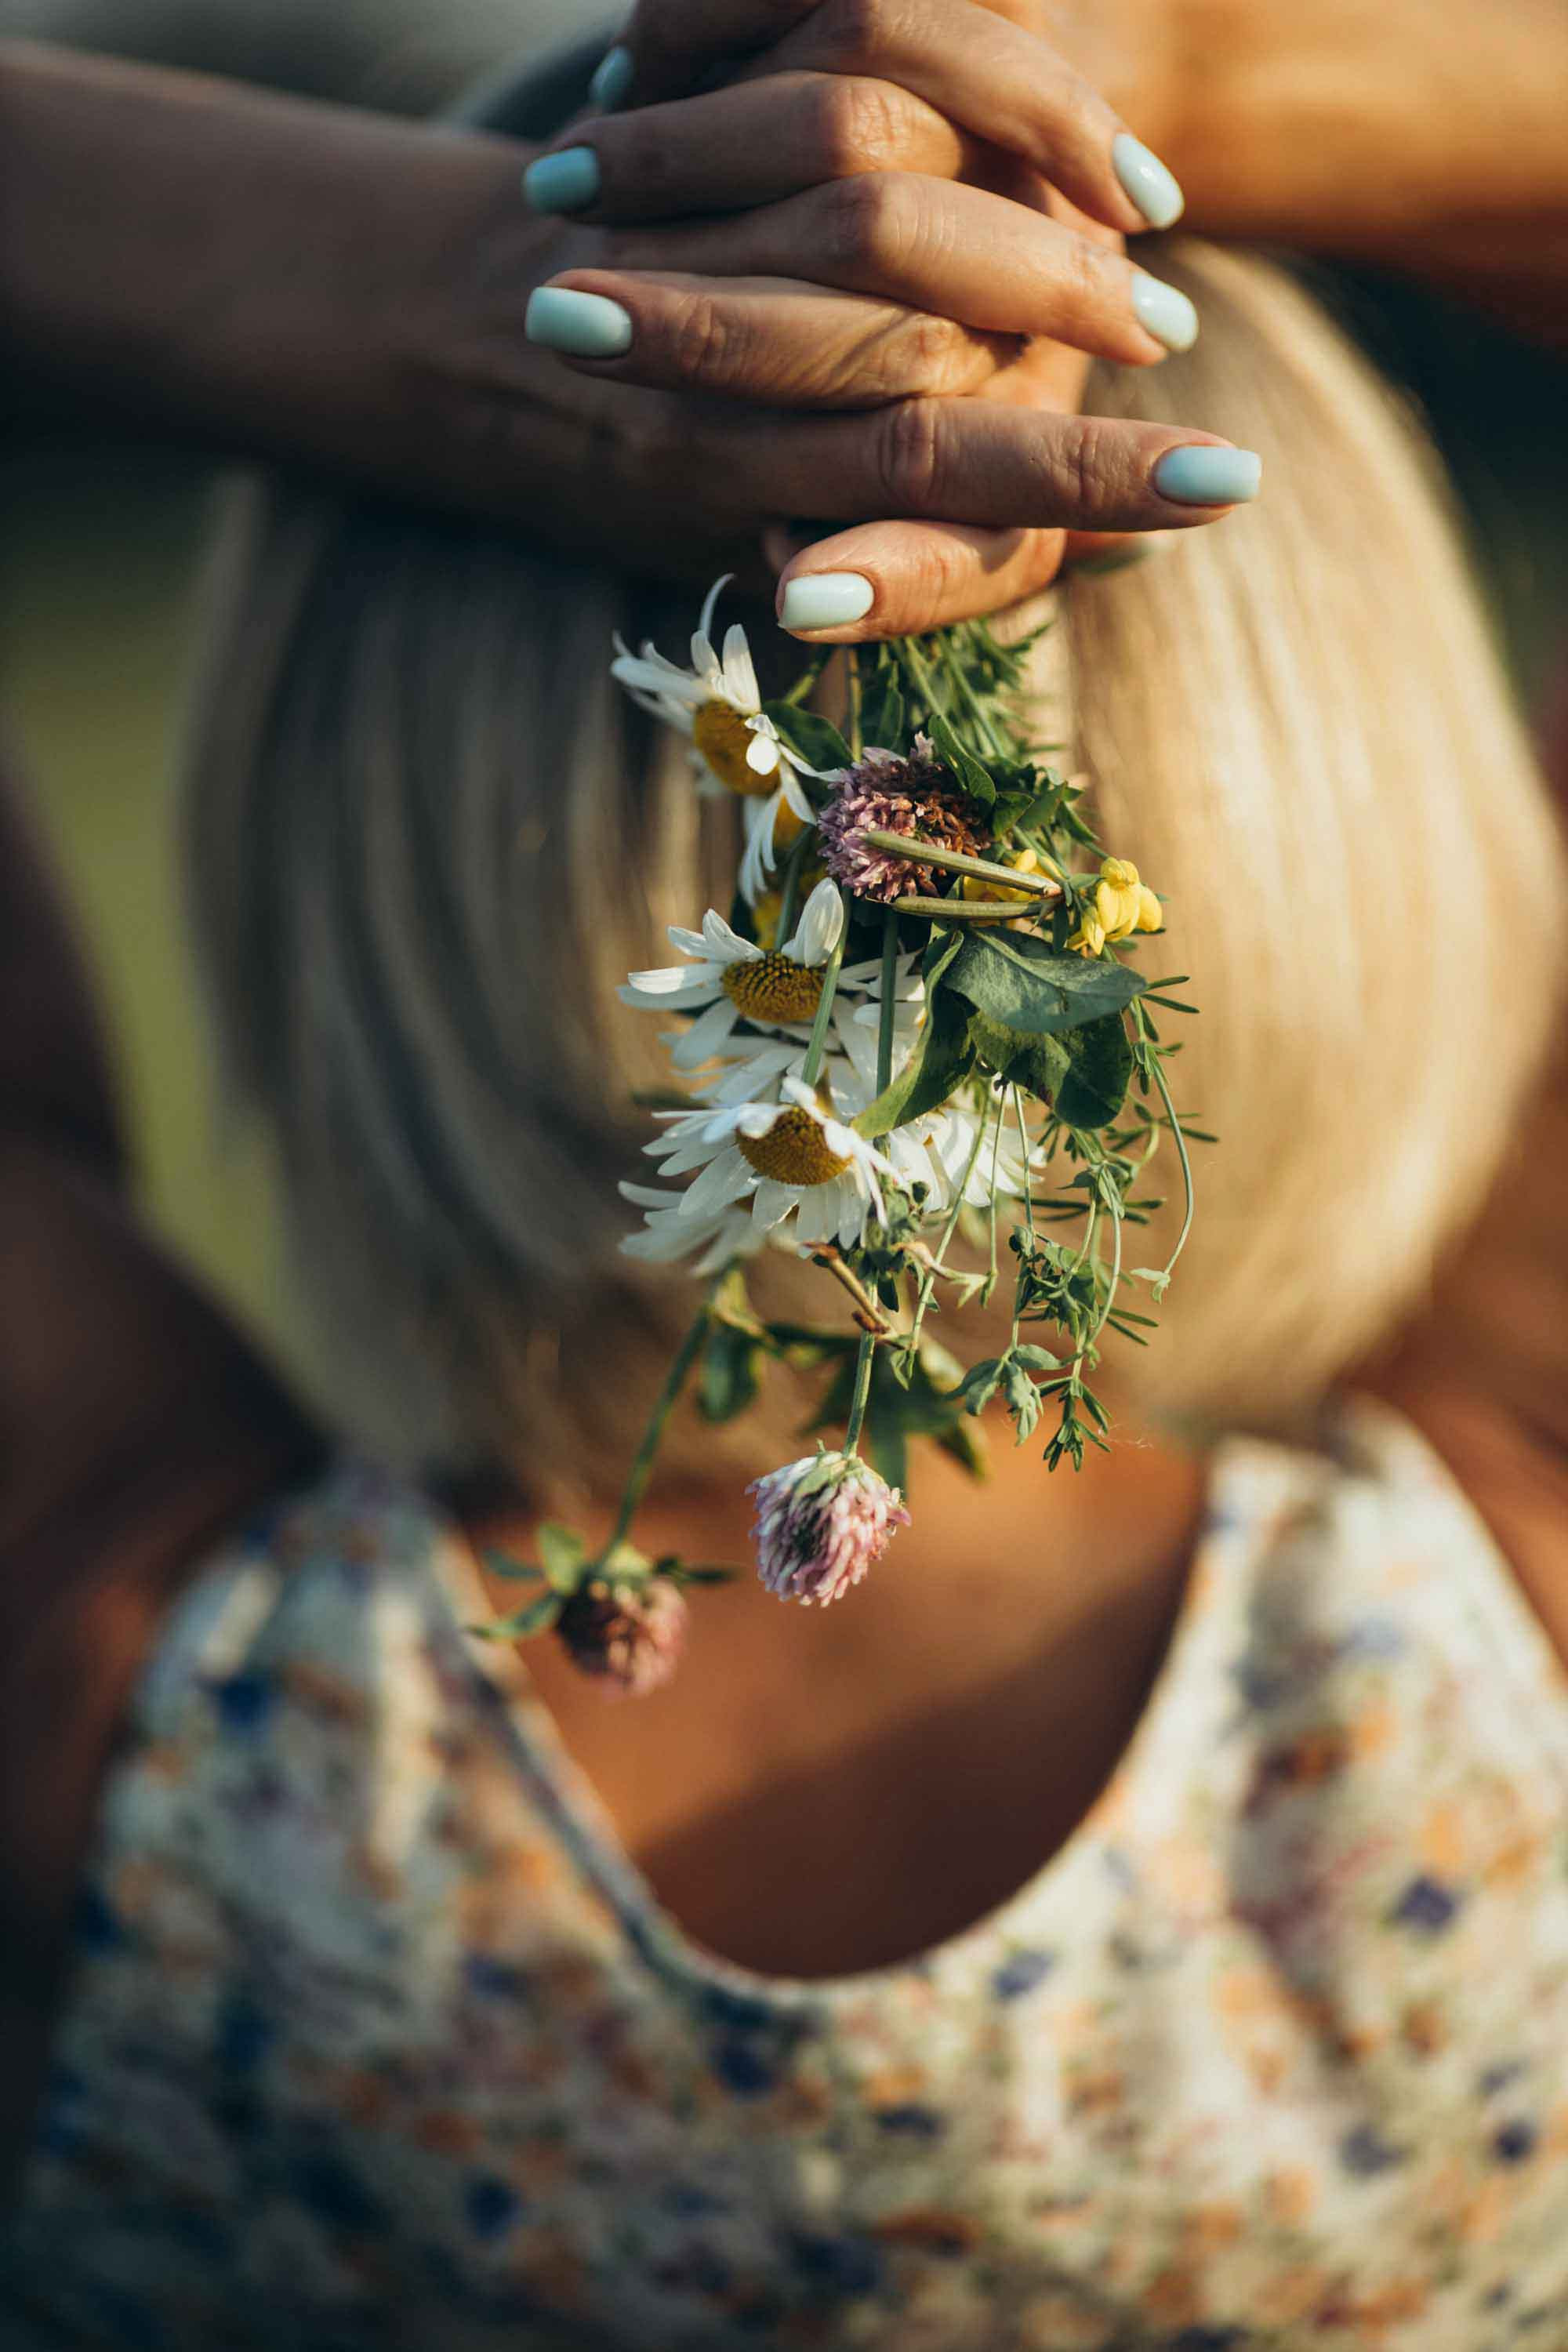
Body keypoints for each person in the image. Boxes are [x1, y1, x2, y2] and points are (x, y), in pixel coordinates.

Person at [2, 9, 1567, 2350]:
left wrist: (359, 293)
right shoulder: (1518, 1621)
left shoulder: (103, 1673)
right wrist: (1163, 76)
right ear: (1341, 792)